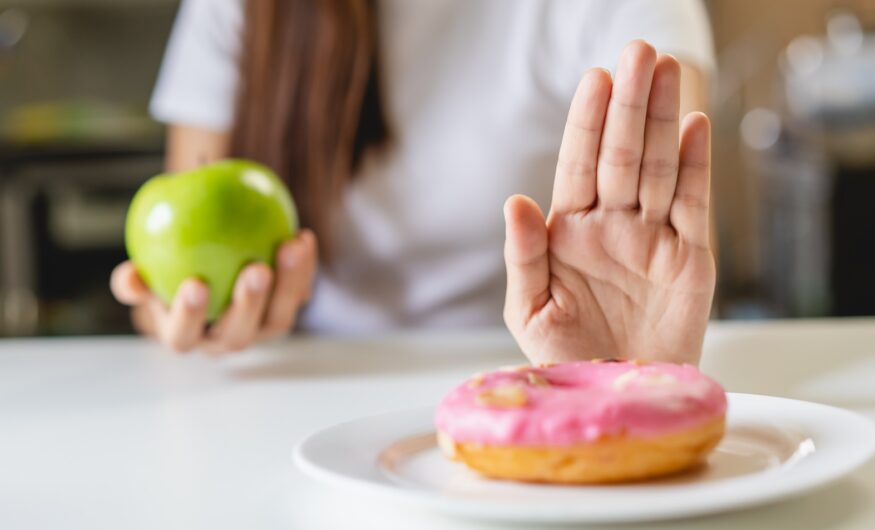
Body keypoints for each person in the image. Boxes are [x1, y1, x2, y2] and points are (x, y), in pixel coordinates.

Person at [110, 0, 716, 364]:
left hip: (532, 375)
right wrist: (193, 315)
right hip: (291, 386)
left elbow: (665, 237)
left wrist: (622, 366)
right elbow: (172, 264)